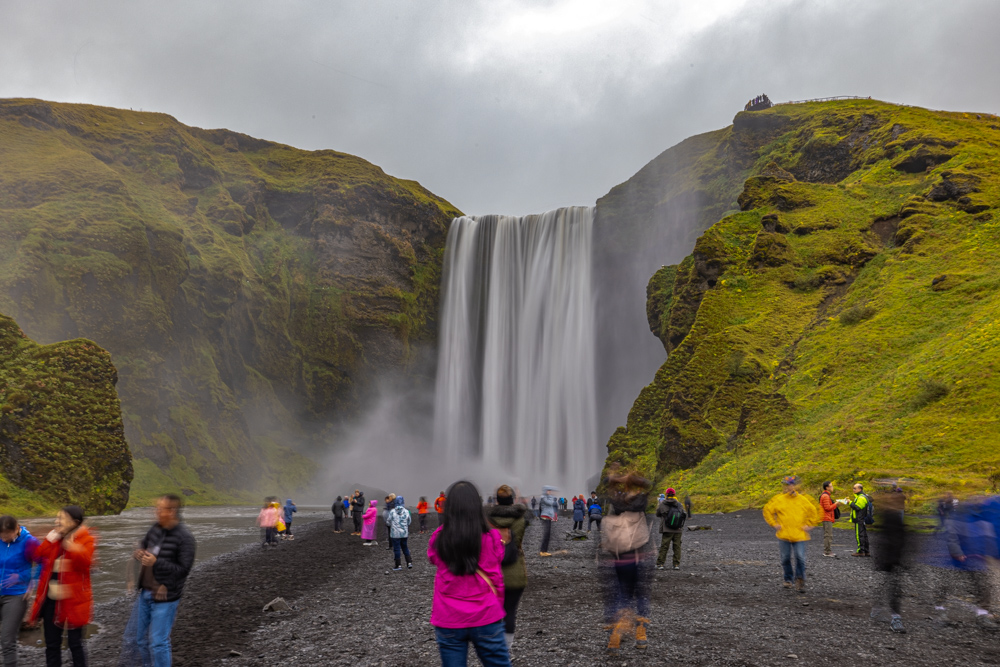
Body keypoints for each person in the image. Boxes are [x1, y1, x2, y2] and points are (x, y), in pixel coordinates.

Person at [428, 480, 510, 667]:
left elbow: (432, 558)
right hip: (486, 613)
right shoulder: (492, 537)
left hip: (448, 617)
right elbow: (497, 572)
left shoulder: (440, 537)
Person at [132, 494, 197, 666]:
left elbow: (184, 570)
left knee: (159, 642)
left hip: (166, 597)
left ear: (172, 511)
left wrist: (156, 562)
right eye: (156, 508)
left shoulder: (185, 537)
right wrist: (139, 551)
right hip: (146, 591)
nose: (156, 512)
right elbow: (144, 544)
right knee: (141, 640)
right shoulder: (155, 528)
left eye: (160, 509)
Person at [29, 506, 95, 667]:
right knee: (52, 644)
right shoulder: (55, 538)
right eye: (57, 517)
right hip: (52, 599)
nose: (56, 521)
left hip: (75, 601)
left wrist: (73, 548)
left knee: (75, 644)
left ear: (74, 522)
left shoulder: (86, 538)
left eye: (61, 518)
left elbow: (85, 563)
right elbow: (38, 555)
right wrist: (48, 539)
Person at [600, 465, 653, 653]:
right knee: (641, 596)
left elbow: (602, 486)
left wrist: (615, 479)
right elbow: (649, 485)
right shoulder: (639, 506)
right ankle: (641, 635)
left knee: (622, 595)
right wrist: (630, 479)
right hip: (639, 557)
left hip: (618, 559)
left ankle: (615, 637)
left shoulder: (615, 507)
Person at [487, 485, 530, 654]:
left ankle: (493, 648)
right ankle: (506, 650)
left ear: (496, 500)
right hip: (515, 571)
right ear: (512, 500)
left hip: (491, 572)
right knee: (510, 611)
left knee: (492, 611)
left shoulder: (487, 519)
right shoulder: (520, 518)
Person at [762, 476, 820, 593]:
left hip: (799, 535)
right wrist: (774, 524)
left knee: (800, 558)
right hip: (784, 535)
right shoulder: (779, 499)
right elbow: (767, 510)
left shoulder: (803, 500)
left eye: (791, 485)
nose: (789, 487)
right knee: (785, 558)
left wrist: (810, 525)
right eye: (787, 485)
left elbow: (814, 511)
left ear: (795, 486)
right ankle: (788, 579)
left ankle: (800, 578)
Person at [0, 515, 38, 667]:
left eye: (7, 536)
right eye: (1, 537)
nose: (4, 540)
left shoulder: (30, 542)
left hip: (16, 595)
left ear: (16, 529)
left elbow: (44, 563)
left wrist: (24, 577)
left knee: (7, 638)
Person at [871, 488, 908, 633]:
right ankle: (895, 618)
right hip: (890, 558)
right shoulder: (890, 516)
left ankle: (877, 608)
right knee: (894, 586)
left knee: (888, 583)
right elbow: (888, 539)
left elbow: (902, 538)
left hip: (893, 557)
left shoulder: (896, 516)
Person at [655, 488, 686, 570]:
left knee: (664, 546)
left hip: (667, 528)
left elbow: (657, 514)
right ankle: (676, 565)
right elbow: (682, 515)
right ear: (674, 494)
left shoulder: (662, 504)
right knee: (677, 547)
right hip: (678, 529)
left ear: (666, 494)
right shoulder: (679, 504)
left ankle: (660, 564)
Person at [387, 496, 413, 570]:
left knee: (397, 549)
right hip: (404, 533)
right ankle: (409, 563)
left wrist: (391, 525)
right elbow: (409, 522)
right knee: (405, 547)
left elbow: (388, 521)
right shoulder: (406, 511)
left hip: (395, 534)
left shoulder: (392, 511)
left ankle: (398, 565)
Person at [819, 482, 844, 557]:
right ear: (827, 488)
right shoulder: (826, 496)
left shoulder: (826, 496)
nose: (832, 487)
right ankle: (827, 552)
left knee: (828, 535)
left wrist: (836, 505)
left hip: (827, 517)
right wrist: (836, 504)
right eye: (831, 486)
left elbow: (829, 507)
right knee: (828, 535)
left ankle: (827, 551)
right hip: (826, 518)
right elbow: (827, 508)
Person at [849, 483, 872, 556]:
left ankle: (861, 551)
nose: (853, 489)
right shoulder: (859, 496)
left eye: (855, 488)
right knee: (863, 535)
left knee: (859, 535)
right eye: (853, 488)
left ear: (860, 489)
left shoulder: (861, 497)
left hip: (859, 519)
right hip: (860, 519)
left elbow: (857, 507)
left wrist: (849, 502)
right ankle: (866, 551)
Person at [537, 487, 559, 557]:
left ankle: (544, 550)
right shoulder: (544, 498)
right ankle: (543, 551)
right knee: (546, 534)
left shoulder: (546, 497)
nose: (550, 492)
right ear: (546, 491)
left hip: (548, 517)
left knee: (548, 534)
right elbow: (550, 503)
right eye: (549, 491)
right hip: (545, 517)